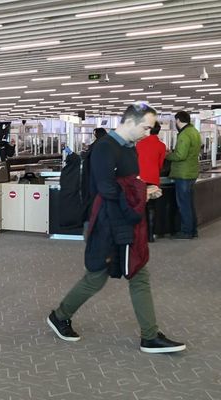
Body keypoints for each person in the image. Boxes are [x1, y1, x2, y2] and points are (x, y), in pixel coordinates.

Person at [47, 103, 186, 354]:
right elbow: (107, 189)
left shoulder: (128, 148)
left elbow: (128, 183)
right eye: (145, 127)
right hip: (106, 223)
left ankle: (150, 335)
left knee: (138, 273)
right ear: (130, 121)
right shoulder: (104, 149)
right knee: (96, 277)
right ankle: (60, 316)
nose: (147, 133)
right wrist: (142, 194)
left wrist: (144, 190)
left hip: (123, 220)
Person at [166, 111, 202, 240]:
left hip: (183, 173)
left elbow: (180, 155)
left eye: (175, 121)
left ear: (178, 120)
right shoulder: (195, 132)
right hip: (192, 172)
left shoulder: (184, 134)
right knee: (189, 203)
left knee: (184, 204)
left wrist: (167, 155)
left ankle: (186, 231)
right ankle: (193, 230)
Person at [136, 122, 167, 242]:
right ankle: (150, 236)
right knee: (151, 207)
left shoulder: (139, 144)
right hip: (153, 178)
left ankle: (140, 235)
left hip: (140, 178)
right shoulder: (161, 146)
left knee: (140, 206)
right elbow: (160, 165)